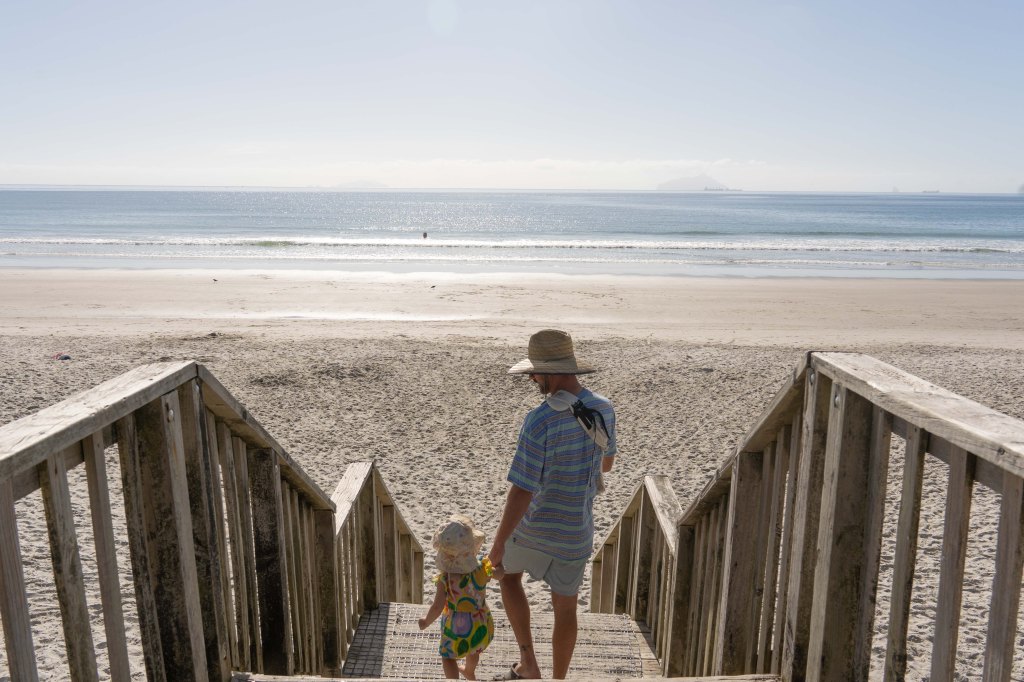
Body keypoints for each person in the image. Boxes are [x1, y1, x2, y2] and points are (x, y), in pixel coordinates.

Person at [488, 329, 617, 680]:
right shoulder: (604, 409)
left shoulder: (539, 419)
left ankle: (529, 663)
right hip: (575, 531)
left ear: (550, 371)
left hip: (533, 529)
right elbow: (606, 463)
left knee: (507, 576)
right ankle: (558, 679)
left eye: (535, 372)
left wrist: (498, 544)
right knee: (565, 608)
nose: (531, 378)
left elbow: (522, 490)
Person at [420, 514, 496, 680]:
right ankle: (469, 671)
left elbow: (437, 606)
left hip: (456, 625)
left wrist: (426, 621)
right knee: (473, 649)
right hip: (479, 620)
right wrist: (500, 570)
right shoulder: (482, 570)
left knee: (448, 657)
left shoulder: (445, 579)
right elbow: (498, 574)